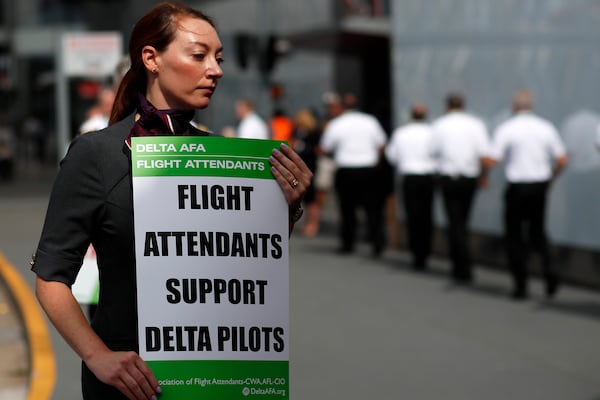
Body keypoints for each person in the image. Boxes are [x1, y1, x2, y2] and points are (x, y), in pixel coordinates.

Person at [30, 3, 312, 399]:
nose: (215, 70)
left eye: (218, 58)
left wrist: (289, 206)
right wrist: (99, 357)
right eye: (199, 56)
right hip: (128, 384)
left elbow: (245, 263)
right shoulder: (97, 154)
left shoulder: (223, 154)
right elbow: (51, 277)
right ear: (151, 59)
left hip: (217, 378)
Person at [487, 89, 568, 299]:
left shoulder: (507, 128)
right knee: (537, 230)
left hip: (518, 186)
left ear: (515, 107)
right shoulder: (545, 127)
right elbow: (561, 159)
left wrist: (481, 169)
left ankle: (521, 284)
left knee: (514, 235)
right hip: (539, 185)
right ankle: (550, 270)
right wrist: (550, 178)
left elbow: (493, 158)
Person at [431, 92, 492, 284]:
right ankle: (462, 264)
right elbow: (484, 156)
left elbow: (431, 152)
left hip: (449, 178)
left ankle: (460, 265)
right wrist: (483, 176)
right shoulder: (475, 124)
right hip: (468, 178)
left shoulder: (439, 125)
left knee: (454, 221)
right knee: (462, 220)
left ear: (447, 106)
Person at [320, 94, 387, 257]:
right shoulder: (370, 121)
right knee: (373, 209)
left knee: (347, 209)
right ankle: (377, 243)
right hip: (368, 169)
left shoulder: (336, 124)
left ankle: (348, 243)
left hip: (347, 169)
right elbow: (382, 144)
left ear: (342, 107)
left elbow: (325, 148)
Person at [385, 103, 436, 269]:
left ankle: (416, 253)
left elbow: (392, 157)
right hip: (427, 177)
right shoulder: (432, 132)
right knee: (426, 215)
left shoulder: (402, 133)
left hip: (410, 178)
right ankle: (425, 252)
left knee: (413, 216)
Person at [292, 108, 322, 237]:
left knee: (311, 198)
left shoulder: (313, 132)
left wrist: (305, 148)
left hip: (309, 166)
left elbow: (318, 149)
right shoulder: (298, 131)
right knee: (301, 197)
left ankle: (313, 224)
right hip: (298, 166)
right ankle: (307, 223)